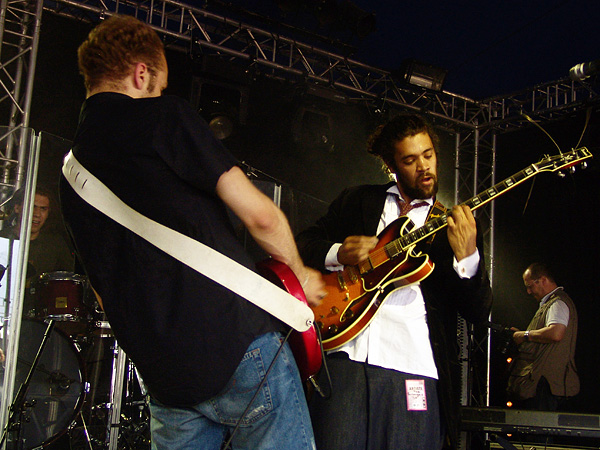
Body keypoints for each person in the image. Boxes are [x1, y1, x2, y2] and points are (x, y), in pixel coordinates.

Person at [59, 15, 326, 450]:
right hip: (238, 345)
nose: (160, 94)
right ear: (141, 73)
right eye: (159, 85)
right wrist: (299, 275)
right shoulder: (164, 117)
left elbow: (105, 291)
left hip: (165, 377)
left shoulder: (70, 178)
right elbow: (261, 216)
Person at [295, 113, 493, 450]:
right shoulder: (358, 200)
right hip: (346, 353)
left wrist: (468, 258)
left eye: (428, 155)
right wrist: (339, 252)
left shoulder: (451, 226)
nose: (424, 167)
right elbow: (303, 243)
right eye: (411, 160)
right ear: (391, 165)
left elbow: (478, 311)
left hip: (412, 361)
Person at [507, 262, 579, 411]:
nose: (528, 291)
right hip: (545, 383)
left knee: (538, 431)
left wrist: (525, 335)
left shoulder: (557, 303)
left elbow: (556, 333)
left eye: (530, 285)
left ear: (543, 280)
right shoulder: (552, 303)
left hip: (545, 385)